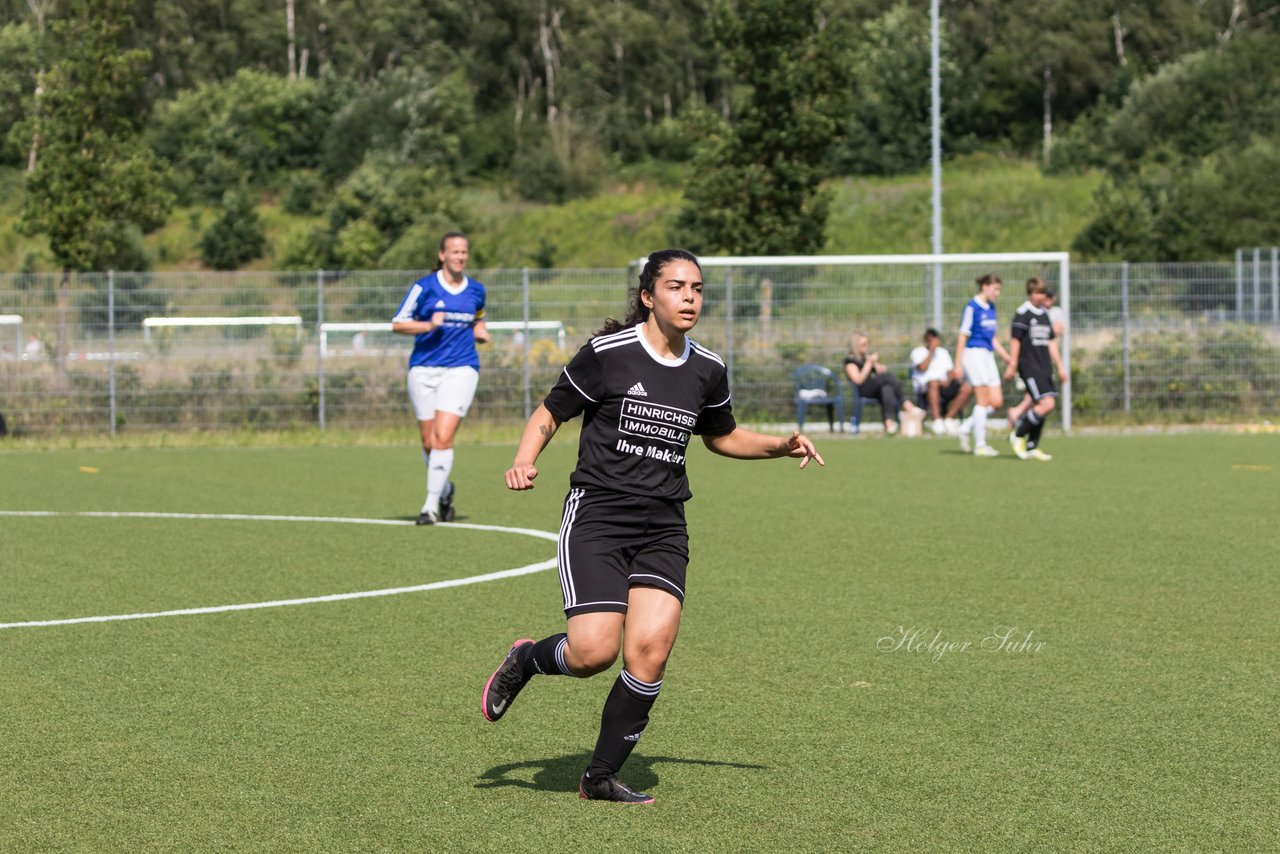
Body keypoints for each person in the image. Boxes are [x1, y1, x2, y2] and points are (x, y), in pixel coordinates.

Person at [483, 249, 823, 804]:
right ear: (648, 296)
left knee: (650, 652)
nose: (689, 297)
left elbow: (721, 436)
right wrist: (525, 458)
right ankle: (527, 659)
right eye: (676, 287)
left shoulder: (707, 368)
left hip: (664, 525)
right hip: (598, 517)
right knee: (593, 654)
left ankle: (598, 777)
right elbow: (551, 412)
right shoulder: (608, 354)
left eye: (697, 288)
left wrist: (778, 446)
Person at [392, 232, 489, 525]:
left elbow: (479, 316)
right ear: (442, 255)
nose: (460, 256)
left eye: (464, 252)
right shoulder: (424, 288)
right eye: (454, 251)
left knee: (444, 437)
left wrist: (480, 330)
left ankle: (430, 507)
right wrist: (427, 325)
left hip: (461, 368)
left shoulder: (476, 290)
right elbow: (397, 324)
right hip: (423, 368)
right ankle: (446, 491)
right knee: (428, 441)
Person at [1005, 277, 1068, 461]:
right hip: (1029, 366)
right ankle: (1017, 435)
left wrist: (1060, 366)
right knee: (1046, 404)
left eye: (1043, 293)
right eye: (1038, 293)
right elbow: (1015, 340)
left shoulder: (1044, 314)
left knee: (1044, 406)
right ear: (1031, 293)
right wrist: (1013, 364)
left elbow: (1051, 342)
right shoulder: (1023, 313)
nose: (1041, 296)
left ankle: (1032, 446)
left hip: (1044, 366)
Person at [951, 273, 1013, 457]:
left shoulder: (991, 307)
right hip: (974, 354)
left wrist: (1005, 356)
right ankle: (980, 445)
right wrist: (958, 364)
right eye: (995, 289)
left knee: (996, 401)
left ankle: (966, 427)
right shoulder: (972, 307)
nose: (997, 293)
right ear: (985, 287)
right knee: (983, 400)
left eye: (999, 289)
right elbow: (963, 335)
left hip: (987, 355)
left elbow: (991, 337)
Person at [843, 331, 916, 434]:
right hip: (862, 389)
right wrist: (869, 364)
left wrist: (878, 366)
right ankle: (905, 402)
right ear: (856, 345)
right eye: (864, 344)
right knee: (887, 377)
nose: (866, 346)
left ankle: (889, 422)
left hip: (875, 388)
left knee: (887, 388)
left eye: (867, 343)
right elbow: (857, 380)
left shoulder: (865, 358)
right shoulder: (850, 361)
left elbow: (878, 372)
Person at [909, 328, 972, 434]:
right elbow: (922, 367)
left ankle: (949, 418)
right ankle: (937, 420)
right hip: (927, 387)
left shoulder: (943, 352)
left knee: (967, 388)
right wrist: (931, 352)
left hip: (944, 385)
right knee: (933, 382)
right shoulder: (918, 352)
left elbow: (950, 371)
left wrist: (948, 380)